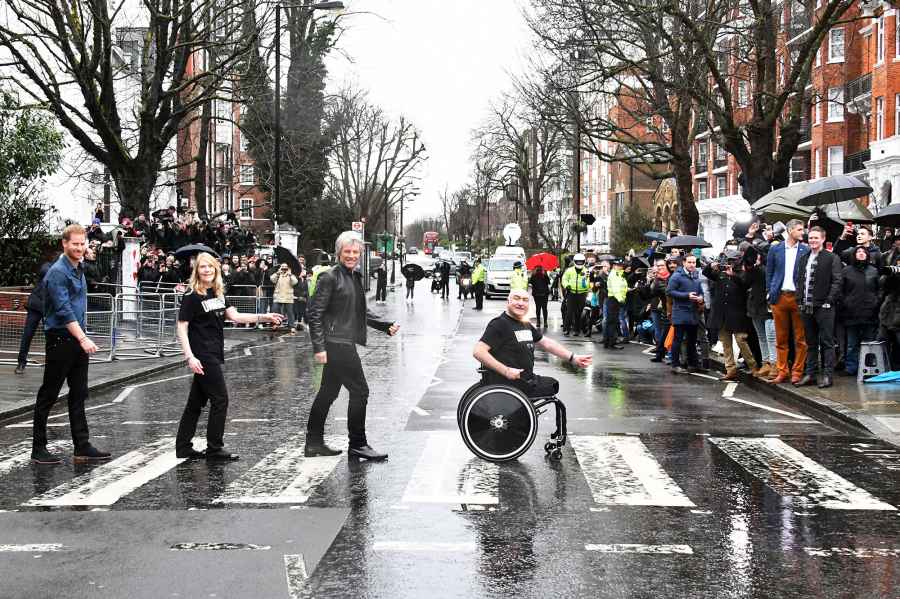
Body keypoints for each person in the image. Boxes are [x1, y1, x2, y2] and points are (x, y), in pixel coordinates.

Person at [175, 252, 283, 460]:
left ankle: (183, 447)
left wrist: (265, 316)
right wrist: (189, 357)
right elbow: (182, 327)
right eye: (202, 267)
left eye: (210, 266)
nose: (206, 270)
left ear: (216, 269)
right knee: (220, 399)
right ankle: (215, 448)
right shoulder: (192, 296)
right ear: (196, 271)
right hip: (202, 353)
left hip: (214, 351)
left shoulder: (218, 294)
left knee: (195, 403)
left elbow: (235, 316)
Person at [305, 231, 400, 460]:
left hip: (344, 342)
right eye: (347, 251)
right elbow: (314, 314)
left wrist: (384, 325)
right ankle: (357, 443)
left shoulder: (353, 276)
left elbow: (359, 311)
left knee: (327, 393)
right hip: (337, 344)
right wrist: (319, 348)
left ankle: (313, 443)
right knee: (360, 392)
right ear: (338, 253)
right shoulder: (330, 277)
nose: (351, 255)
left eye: (355, 252)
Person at [30, 225, 110, 465]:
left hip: (76, 339)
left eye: (82, 243)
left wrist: (83, 336)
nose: (79, 248)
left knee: (79, 393)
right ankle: (38, 448)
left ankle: (82, 446)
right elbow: (64, 311)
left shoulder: (80, 269)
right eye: (75, 244)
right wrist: (83, 338)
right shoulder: (57, 272)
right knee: (49, 394)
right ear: (64, 244)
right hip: (61, 339)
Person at [473, 289, 592, 398]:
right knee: (551, 387)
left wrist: (572, 357)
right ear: (508, 301)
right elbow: (478, 352)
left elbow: (546, 343)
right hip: (510, 384)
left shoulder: (524, 324)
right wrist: (506, 371)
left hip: (525, 380)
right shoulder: (499, 324)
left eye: (525, 300)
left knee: (552, 384)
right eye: (516, 298)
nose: (521, 303)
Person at [794, 226, 842, 388]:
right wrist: (799, 300)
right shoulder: (804, 258)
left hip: (824, 306)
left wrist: (829, 300)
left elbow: (837, 281)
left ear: (822, 239)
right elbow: (799, 280)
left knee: (827, 342)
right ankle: (811, 374)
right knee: (811, 342)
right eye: (811, 238)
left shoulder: (832, 258)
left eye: (816, 238)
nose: (813, 240)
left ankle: (828, 376)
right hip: (806, 306)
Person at [765, 218, 809, 385]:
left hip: (798, 297)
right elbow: (769, 272)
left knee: (800, 338)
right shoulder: (775, 249)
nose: (802, 232)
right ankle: (782, 371)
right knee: (781, 338)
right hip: (780, 297)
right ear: (790, 231)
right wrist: (769, 292)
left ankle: (797, 371)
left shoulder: (805, 250)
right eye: (799, 229)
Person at [704, 257, 759, 380]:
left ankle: (753, 366)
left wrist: (733, 275)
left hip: (737, 315)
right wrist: (711, 265)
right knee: (726, 343)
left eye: (732, 262)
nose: (728, 265)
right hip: (722, 315)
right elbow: (706, 273)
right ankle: (730, 369)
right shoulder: (720, 275)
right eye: (727, 262)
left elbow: (744, 285)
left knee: (741, 340)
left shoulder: (742, 274)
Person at [840, 245, 880, 377]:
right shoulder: (846, 271)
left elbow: (879, 289)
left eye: (864, 252)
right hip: (851, 313)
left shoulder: (873, 271)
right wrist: (846, 302)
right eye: (858, 252)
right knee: (852, 343)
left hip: (870, 312)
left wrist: (876, 301)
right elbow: (841, 290)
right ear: (854, 255)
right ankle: (851, 367)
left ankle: (869, 367)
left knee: (869, 342)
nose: (861, 254)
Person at [666, 253, 704, 374]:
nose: (692, 265)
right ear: (684, 263)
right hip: (681, 313)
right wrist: (686, 296)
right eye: (690, 262)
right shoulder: (677, 276)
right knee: (678, 339)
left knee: (692, 340)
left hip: (693, 313)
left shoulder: (696, 276)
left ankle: (692, 364)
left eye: (694, 262)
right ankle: (675, 364)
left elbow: (700, 291)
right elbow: (670, 291)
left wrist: (701, 298)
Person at [16, 262, 52, 374]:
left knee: (50, 336)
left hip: (49, 308)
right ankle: (21, 362)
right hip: (36, 306)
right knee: (27, 334)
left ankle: (51, 363)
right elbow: (44, 271)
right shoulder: (48, 266)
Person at [642, 258, 672, 362]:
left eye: (662, 265)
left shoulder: (672, 276)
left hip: (673, 308)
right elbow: (648, 294)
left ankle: (668, 355)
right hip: (664, 308)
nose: (660, 268)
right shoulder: (657, 279)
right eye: (658, 266)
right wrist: (649, 281)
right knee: (662, 332)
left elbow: (668, 292)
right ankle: (661, 354)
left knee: (670, 333)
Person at [561, 253, 590, 336]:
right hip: (571, 293)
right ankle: (566, 329)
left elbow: (587, 282)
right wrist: (567, 286)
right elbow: (564, 279)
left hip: (582, 294)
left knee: (579, 313)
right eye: (578, 262)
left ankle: (576, 330)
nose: (580, 263)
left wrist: (585, 285)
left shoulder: (586, 271)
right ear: (574, 262)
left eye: (581, 262)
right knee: (569, 312)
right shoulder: (569, 270)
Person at [604, 260, 627, 349]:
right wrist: (620, 299)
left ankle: (608, 342)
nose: (620, 267)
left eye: (621, 265)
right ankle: (611, 343)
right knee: (612, 322)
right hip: (614, 299)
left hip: (615, 299)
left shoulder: (619, 274)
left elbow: (621, 287)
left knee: (612, 321)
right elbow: (615, 289)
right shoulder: (614, 275)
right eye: (618, 265)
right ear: (614, 266)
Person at [271, 263, 299, 333]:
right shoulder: (278, 274)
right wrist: (277, 273)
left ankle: (292, 326)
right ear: (280, 267)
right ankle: (276, 324)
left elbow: (295, 282)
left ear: (288, 268)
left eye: (285, 267)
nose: (284, 268)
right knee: (276, 311)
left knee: (290, 312)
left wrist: (290, 274)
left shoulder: (290, 275)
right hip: (278, 296)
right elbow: (272, 279)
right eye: (282, 267)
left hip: (288, 297)